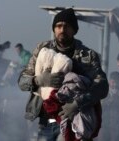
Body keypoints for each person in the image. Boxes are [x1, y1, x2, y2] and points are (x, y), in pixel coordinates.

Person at [18, 8, 109, 141]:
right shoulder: (43, 51)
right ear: (54, 29)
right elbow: (22, 81)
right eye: (58, 26)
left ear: (74, 30)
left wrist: (77, 103)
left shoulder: (87, 55)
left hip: (75, 122)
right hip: (46, 122)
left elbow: (102, 87)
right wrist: (39, 80)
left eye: (66, 26)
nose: (62, 29)